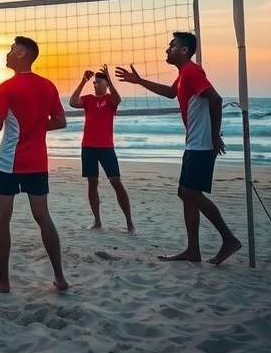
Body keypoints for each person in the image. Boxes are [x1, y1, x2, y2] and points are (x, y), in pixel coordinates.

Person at [115, 32, 242, 265]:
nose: (167, 49)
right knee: (185, 193)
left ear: (184, 51)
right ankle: (193, 250)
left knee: (191, 193)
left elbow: (216, 100)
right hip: (195, 141)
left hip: (202, 143)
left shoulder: (193, 71)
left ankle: (229, 239)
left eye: (172, 45)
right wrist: (139, 81)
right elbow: (171, 93)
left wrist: (214, 136)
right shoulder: (184, 74)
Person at [0, 36, 69, 293]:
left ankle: (3, 281)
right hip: (37, 161)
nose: (8, 53)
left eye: (12, 49)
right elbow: (60, 121)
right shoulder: (47, 85)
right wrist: (34, 129)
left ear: (22, 54)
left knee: (2, 217)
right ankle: (60, 277)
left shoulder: (8, 87)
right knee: (43, 216)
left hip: (9, 163)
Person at [69, 65, 135, 232]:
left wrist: (109, 79)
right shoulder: (89, 99)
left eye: (99, 82)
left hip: (106, 148)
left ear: (106, 84)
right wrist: (84, 80)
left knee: (116, 183)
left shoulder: (110, 100)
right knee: (92, 183)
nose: (96, 84)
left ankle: (129, 223)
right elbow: (72, 102)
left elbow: (117, 99)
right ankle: (97, 221)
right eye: (95, 83)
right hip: (88, 147)